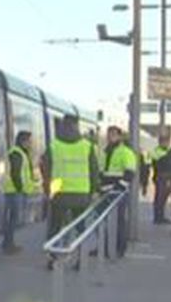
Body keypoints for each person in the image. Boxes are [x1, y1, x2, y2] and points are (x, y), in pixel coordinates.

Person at [43, 114, 98, 268]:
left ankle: (52, 259)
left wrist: (48, 190)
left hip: (59, 194)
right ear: (77, 125)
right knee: (81, 228)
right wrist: (93, 191)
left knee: (55, 227)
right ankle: (80, 260)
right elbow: (94, 171)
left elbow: (46, 169)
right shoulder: (87, 146)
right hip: (81, 194)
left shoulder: (54, 145)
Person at [100, 125, 137, 256]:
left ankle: (120, 248)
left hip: (118, 192)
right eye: (109, 134)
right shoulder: (105, 151)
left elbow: (130, 173)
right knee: (104, 221)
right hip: (105, 192)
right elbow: (102, 171)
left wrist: (119, 187)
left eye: (113, 134)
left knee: (119, 220)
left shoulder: (126, 152)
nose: (110, 137)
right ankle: (103, 248)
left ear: (120, 136)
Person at [1, 130, 36, 254]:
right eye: (29, 141)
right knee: (13, 219)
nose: (31, 144)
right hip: (14, 191)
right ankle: (8, 244)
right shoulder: (16, 153)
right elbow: (15, 173)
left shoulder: (21, 153)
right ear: (23, 141)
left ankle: (7, 242)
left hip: (15, 191)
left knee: (13, 218)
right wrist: (21, 188)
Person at [149, 131, 171, 224]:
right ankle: (158, 218)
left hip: (164, 176)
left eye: (167, 141)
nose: (166, 143)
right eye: (164, 141)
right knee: (160, 198)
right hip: (161, 176)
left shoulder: (167, 151)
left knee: (162, 198)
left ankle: (160, 216)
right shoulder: (157, 151)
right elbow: (159, 164)